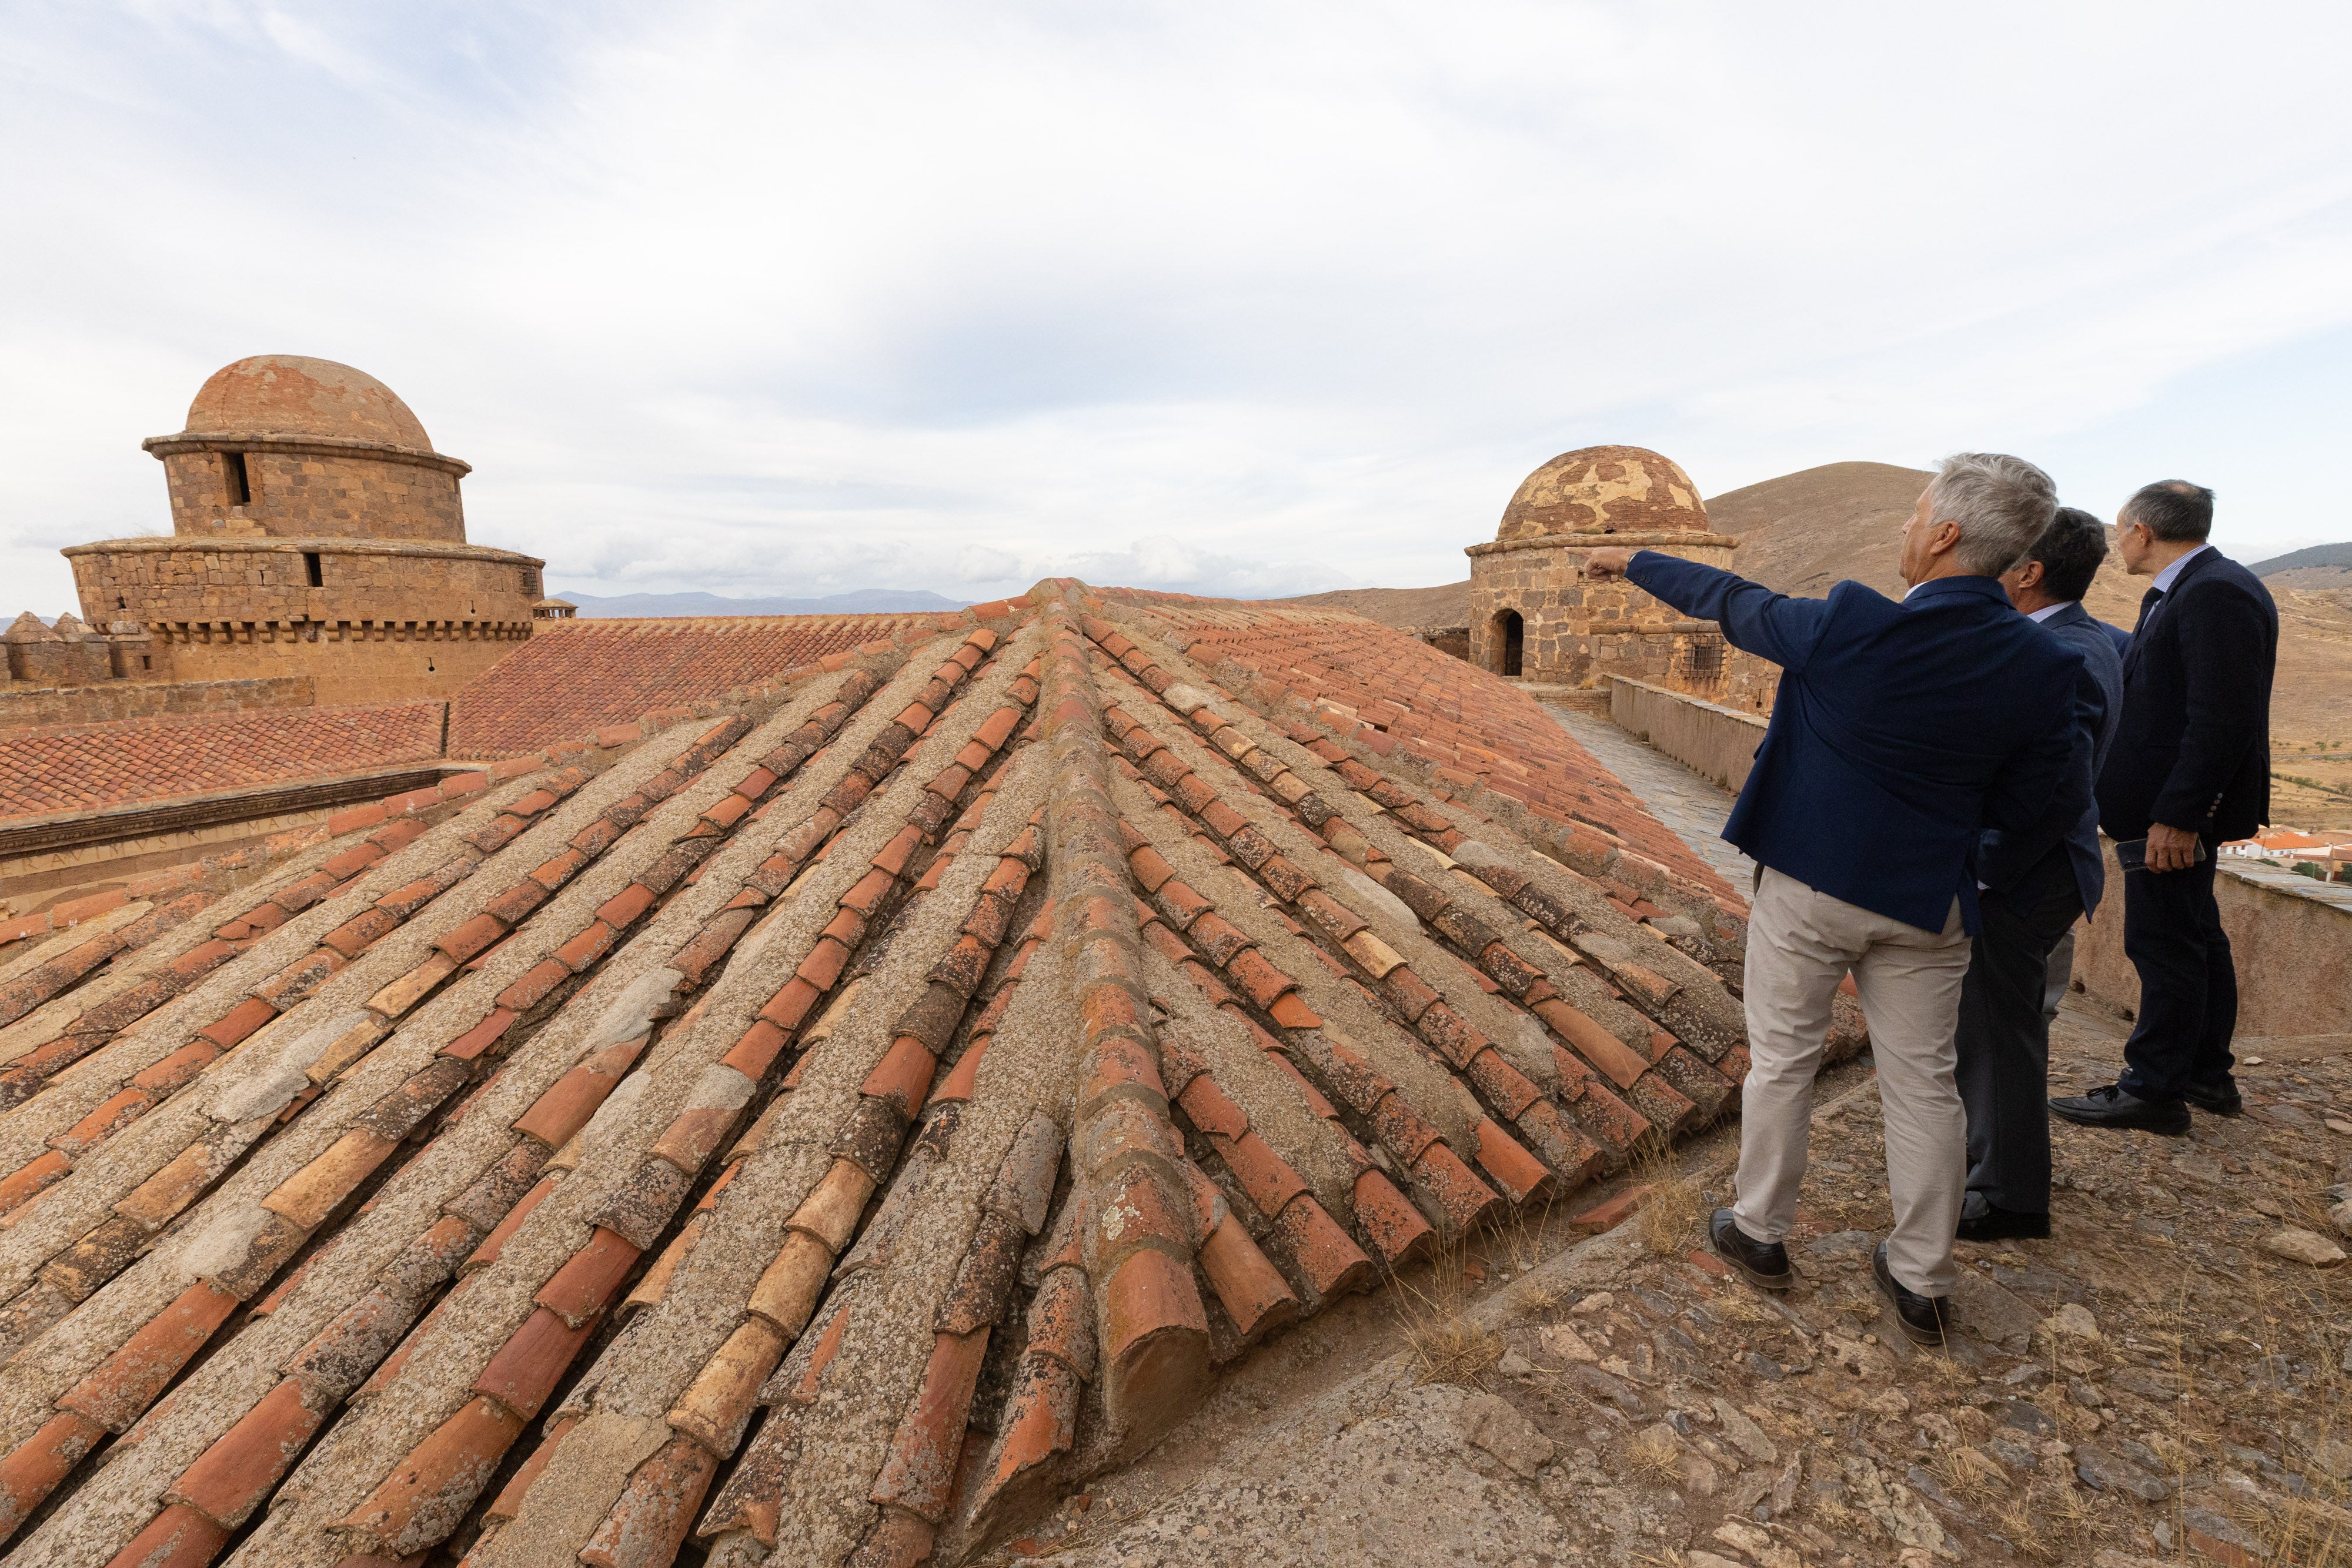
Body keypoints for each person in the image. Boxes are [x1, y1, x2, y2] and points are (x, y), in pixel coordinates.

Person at [1585, 453, 2082, 1346]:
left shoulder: (1853, 623)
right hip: (1930, 903)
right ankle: (1922, 1277)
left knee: (1782, 1061)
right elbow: (2040, 803)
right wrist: (1960, 849)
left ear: (1945, 534)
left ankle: (1759, 1230)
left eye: (1915, 515)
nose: (1906, 528)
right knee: (1925, 1084)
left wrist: (1632, 562)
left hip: (1812, 887)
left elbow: (1733, 602)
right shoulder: (2044, 665)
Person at [2052, 481, 2277, 1134]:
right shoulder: (2201, 586)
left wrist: (2180, 815)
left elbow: (2221, 717)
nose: (2117, 543)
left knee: (2164, 945)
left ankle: (2152, 1089)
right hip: (2162, 810)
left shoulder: (2214, 592)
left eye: (2121, 529)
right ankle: (2204, 1073)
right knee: (2196, 936)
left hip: (2169, 817)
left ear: (2143, 531)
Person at [1955, 507, 2124, 1241]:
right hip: (2041, 868)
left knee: (2000, 1031)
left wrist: (1986, 872)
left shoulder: (2063, 655)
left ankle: (2008, 1196)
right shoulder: (2088, 638)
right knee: (1999, 1026)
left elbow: (2057, 785)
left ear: (2027, 573)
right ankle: (1988, 1165)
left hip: (2026, 875)